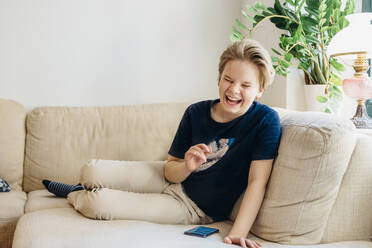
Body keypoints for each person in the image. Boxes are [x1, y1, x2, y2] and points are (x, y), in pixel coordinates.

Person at [43, 38, 281, 248]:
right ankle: (83, 184)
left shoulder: (265, 121)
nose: (234, 90)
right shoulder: (196, 112)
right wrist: (187, 166)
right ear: (219, 79)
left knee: (98, 203)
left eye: (246, 85)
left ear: (260, 90)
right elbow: (171, 170)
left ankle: (75, 193)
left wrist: (238, 233)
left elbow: (257, 183)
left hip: (192, 207)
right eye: (228, 80)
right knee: (91, 170)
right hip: (169, 177)